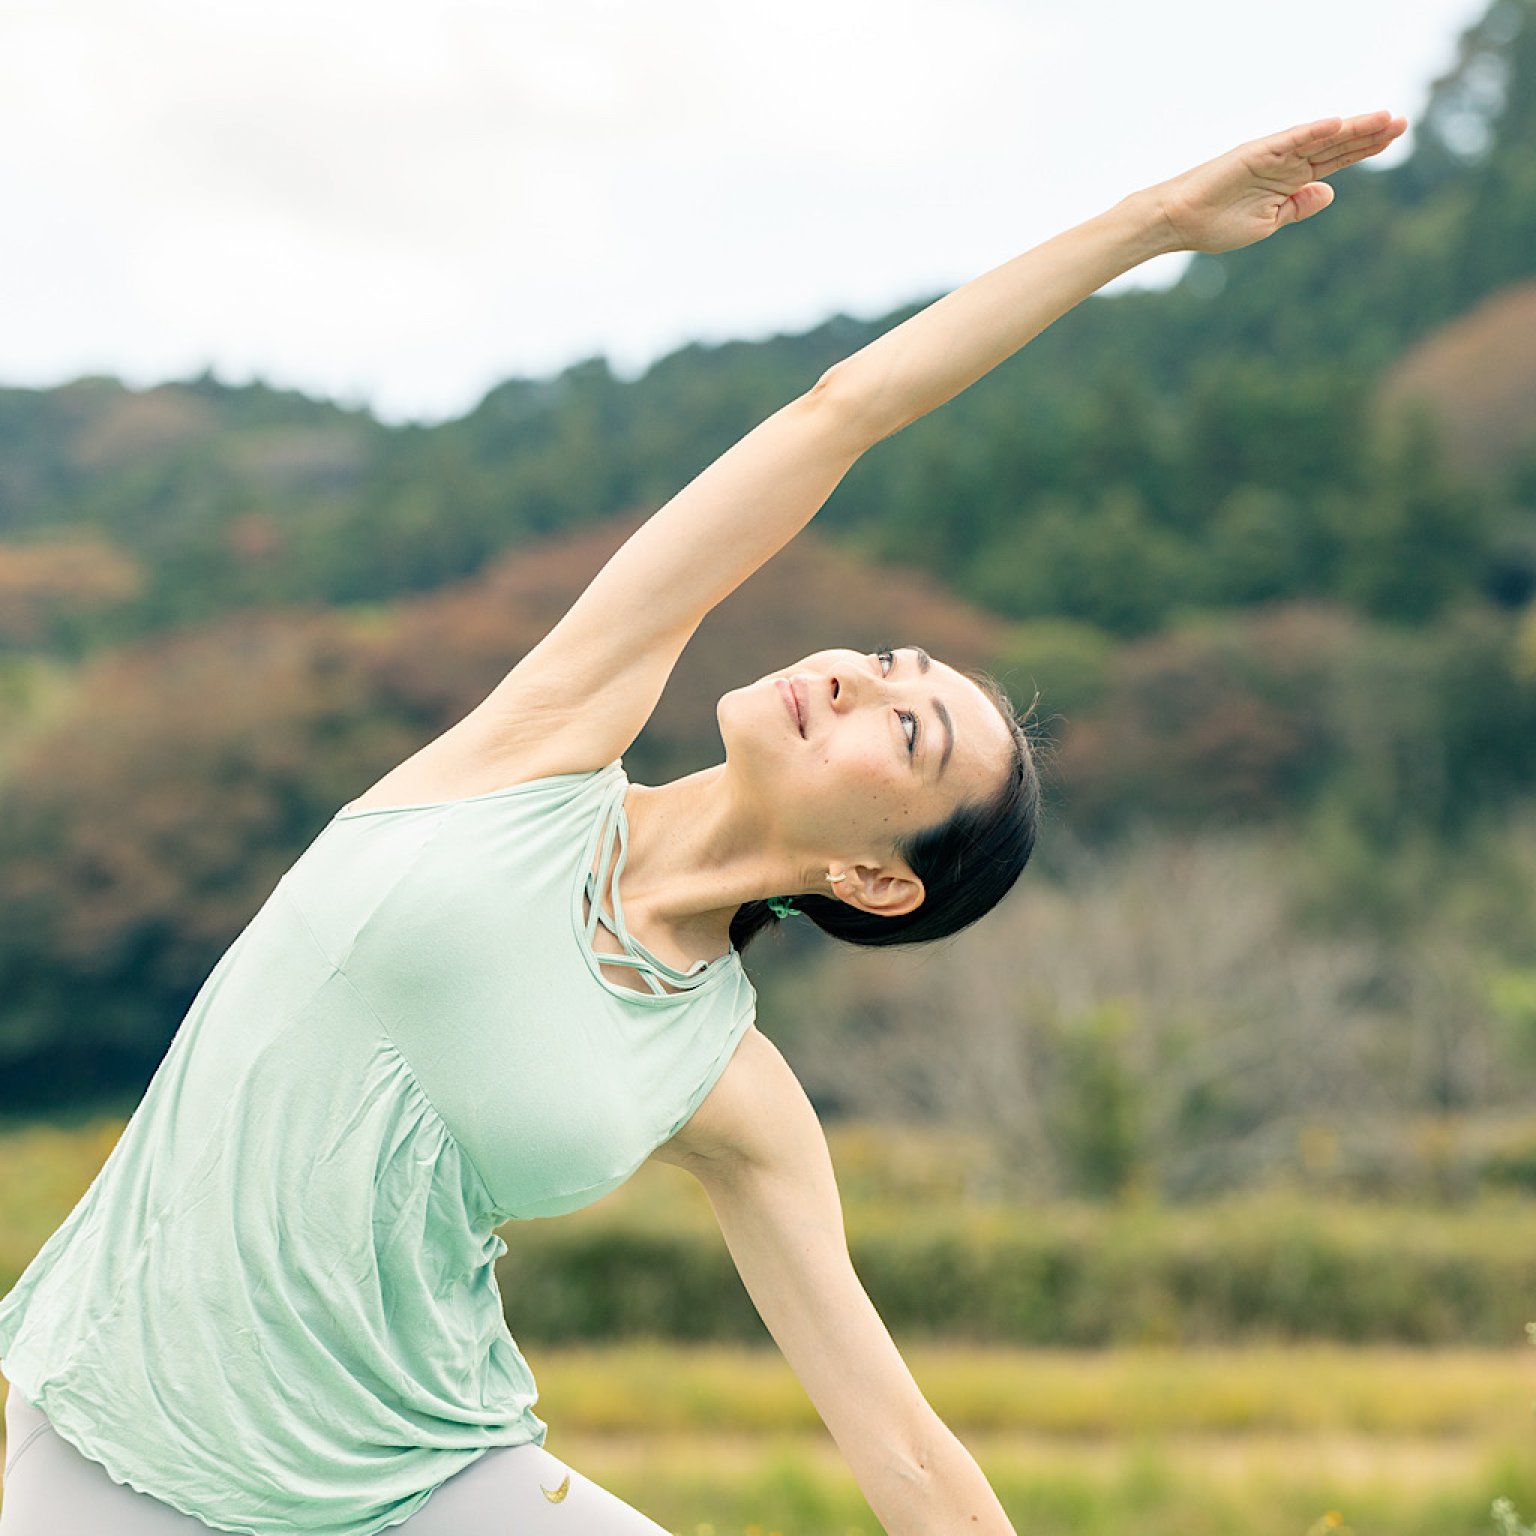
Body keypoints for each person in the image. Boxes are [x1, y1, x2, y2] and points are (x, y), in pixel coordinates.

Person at [0, 108, 1406, 1536]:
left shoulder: (730, 1087)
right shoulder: (540, 747)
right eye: (889, 666)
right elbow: (841, 413)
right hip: (114, 1462)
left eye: (901, 732)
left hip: (433, 1484)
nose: (856, 678)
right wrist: (1156, 223)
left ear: (875, 879)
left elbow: (902, 1447)